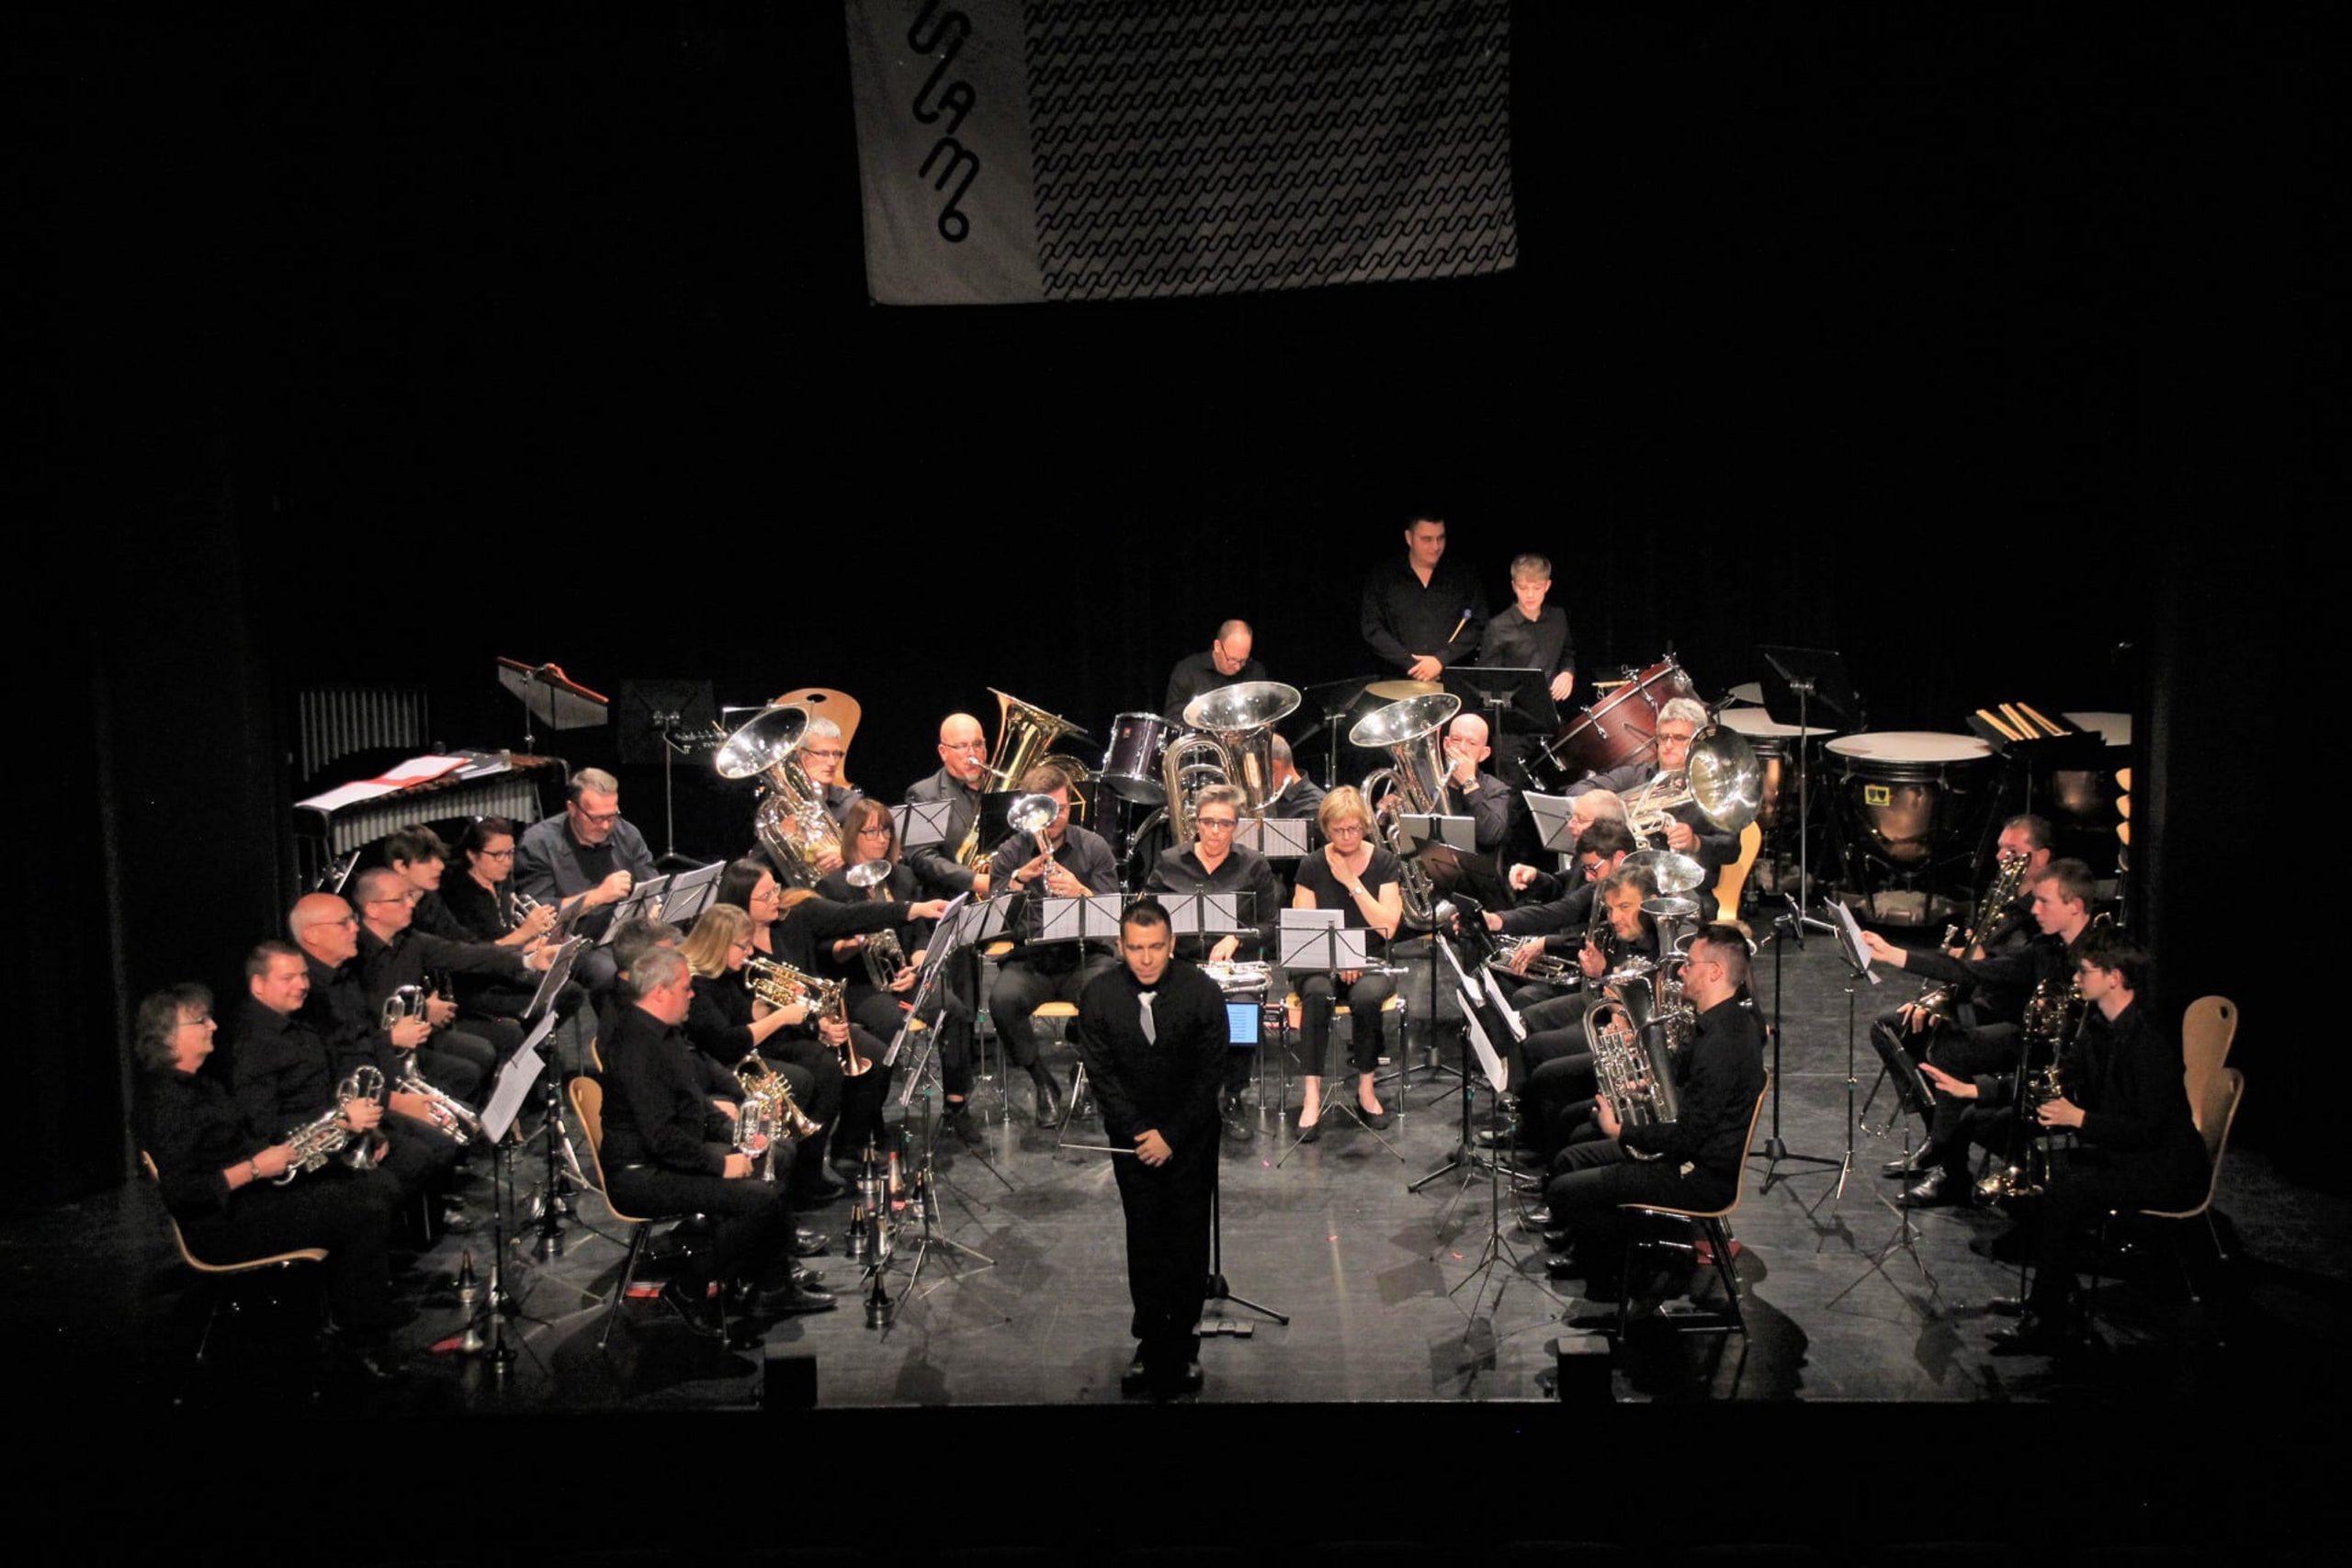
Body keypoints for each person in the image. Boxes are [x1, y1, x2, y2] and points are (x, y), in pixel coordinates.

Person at [135, 983, 406, 1380]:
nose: (213, 1025)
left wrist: (313, 1141)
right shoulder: (165, 1102)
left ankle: (357, 1313)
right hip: (221, 1226)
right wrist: (258, 1167)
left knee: (366, 1186)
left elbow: (243, 1141)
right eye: (200, 1021)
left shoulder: (204, 1085)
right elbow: (182, 1193)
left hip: (252, 1199)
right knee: (360, 1210)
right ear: (168, 1037)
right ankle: (363, 1338)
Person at [1982, 930, 2208, 1354]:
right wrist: (1980, 1091)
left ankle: (2047, 1319)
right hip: (2129, 1155)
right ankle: (2054, 1298)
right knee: (2048, 1174)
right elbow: (2067, 1074)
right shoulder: (2097, 1028)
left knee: (2066, 1190)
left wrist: (2079, 1118)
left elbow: (2150, 1131)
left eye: (2085, 972)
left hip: (2168, 1169)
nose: (2077, 980)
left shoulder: (2150, 1043)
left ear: (2116, 978)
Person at [598, 946, 833, 1334]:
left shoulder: (664, 1034)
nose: (692, 995)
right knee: (761, 1199)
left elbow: (694, 1100)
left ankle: (769, 1285)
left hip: (671, 1157)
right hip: (643, 1176)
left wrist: (738, 1133)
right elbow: (661, 1138)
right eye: (686, 988)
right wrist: (722, 1164)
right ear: (659, 992)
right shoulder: (636, 1047)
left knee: (776, 1154)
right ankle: (688, 1289)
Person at [1535, 925, 1767, 1292]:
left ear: (1716, 972)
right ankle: (1594, 1249)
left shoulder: (1725, 1043)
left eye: (1690, 965)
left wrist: (1622, 1131)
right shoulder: (1722, 1022)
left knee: (1565, 1189)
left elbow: (1688, 1137)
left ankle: (1617, 1279)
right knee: (1574, 1152)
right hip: (1688, 1156)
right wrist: (1643, 1083)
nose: (1680, 972)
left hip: (1697, 1177)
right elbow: (1683, 1079)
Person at [1860, 859, 2103, 1205]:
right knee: (1943, 1044)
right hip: (2032, 1040)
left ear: (2075, 906)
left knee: (1956, 1057)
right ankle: (1946, 1159)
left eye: (2044, 901)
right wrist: (1896, 955)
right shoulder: (2043, 948)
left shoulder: (2103, 953)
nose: (2034, 909)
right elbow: (1975, 972)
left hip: (2071, 1060)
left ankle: (1954, 1161)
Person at [1074, 898, 1227, 1398]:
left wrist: (1172, 1136)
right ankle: (1149, 1341)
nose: (1145, 959)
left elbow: (1210, 1075)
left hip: (1191, 1138)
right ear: (1121, 947)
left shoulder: (1202, 993)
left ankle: (1183, 1344)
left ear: (1172, 945)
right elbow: (1102, 1076)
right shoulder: (1098, 996)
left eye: (1155, 948)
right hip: (1131, 1142)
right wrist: (1141, 1133)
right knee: (1143, 1239)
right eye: (1135, 949)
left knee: (1187, 1239)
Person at [985, 761, 1122, 1128]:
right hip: (1032, 959)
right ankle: (1042, 1081)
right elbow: (991, 919)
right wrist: (1015, 882)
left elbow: (1113, 916)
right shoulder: (1012, 851)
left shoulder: (1093, 847)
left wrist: (1081, 891)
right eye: (1047, 809)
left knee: (1108, 994)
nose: (1056, 817)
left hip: (1085, 955)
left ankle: (1093, 1076)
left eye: (1062, 808)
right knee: (1003, 1001)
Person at [1144, 783, 1283, 1142]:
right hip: (1184, 964)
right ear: (1197, 823)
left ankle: (1233, 1095)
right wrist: (1165, 942)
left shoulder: (1254, 865)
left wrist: (1237, 937)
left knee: (1241, 1013)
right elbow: (1147, 913)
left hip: (1233, 969)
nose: (1215, 831)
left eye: (1224, 823)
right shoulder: (1170, 861)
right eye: (1208, 823)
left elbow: (1271, 925)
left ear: (1236, 825)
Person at [1289, 785, 1405, 1141]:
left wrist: (1352, 882)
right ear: (1327, 830)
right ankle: (1311, 1098)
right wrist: (1339, 961)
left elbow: (1387, 926)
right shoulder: (1310, 865)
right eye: (1339, 830)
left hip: (1370, 961)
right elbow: (1303, 930)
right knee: (1318, 995)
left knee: (1367, 998)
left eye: (1354, 828)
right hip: (1320, 963)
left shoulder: (1384, 862)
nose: (1347, 836)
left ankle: (1366, 1090)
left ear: (1364, 827)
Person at [1566, 697, 1736, 888]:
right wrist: (1613, 807)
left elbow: (1731, 849)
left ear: (1697, 742)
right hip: (1625, 885)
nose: (1668, 745)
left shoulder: (1713, 790)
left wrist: (1696, 842)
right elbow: (1578, 790)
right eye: (1663, 737)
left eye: (1679, 738)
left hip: (1686, 891)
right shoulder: (1635, 776)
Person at [514, 767, 658, 993]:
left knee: (681, 953)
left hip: (627, 933)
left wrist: (654, 904)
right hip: (579, 942)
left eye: (612, 815)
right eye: (597, 818)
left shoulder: (626, 833)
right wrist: (598, 896)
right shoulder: (538, 844)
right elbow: (539, 915)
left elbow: (652, 885)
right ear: (573, 809)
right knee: (611, 975)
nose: (606, 826)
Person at [1361, 513, 1489, 682]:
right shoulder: (1383, 577)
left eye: (1440, 538)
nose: (1435, 547)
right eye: (1427, 539)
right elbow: (1372, 629)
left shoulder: (1463, 576)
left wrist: (1440, 660)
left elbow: (1478, 624)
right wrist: (1412, 664)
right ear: (1409, 537)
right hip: (1396, 681)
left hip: (1450, 682)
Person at [1164, 619, 1268, 719]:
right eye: (1232, 659)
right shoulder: (1187, 671)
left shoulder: (1256, 672)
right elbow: (1175, 720)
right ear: (1217, 646)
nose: (1238, 667)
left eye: (1243, 661)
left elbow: (1264, 715)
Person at [795, 716, 864, 832]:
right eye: (823, 754)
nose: (832, 762)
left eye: (836, 754)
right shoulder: (784, 805)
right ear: (801, 755)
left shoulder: (852, 804)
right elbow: (756, 850)